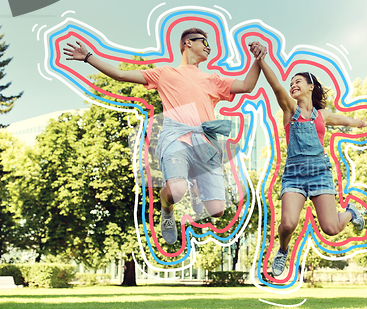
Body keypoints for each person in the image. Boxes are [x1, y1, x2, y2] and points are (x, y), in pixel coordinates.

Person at [64, 28, 267, 245]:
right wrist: (87, 57)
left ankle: (195, 183)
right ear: (187, 43)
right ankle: (166, 208)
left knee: (216, 210)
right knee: (177, 191)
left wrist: (258, 59)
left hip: (205, 144)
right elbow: (121, 75)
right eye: (205, 41)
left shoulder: (212, 79)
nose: (209, 47)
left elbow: (247, 85)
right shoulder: (165, 73)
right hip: (176, 138)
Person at [250, 46, 367, 276]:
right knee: (287, 224)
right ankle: (283, 251)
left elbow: (342, 120)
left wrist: (358, 123)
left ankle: (352, 213)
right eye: (292, 82)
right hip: (294, 174)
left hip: (320, 173)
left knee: (332, 228)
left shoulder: (322, 115)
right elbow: (275, 85)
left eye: (298, 81)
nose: (293, 85)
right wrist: (261, 60)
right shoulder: (289, 108)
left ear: (311, 86)